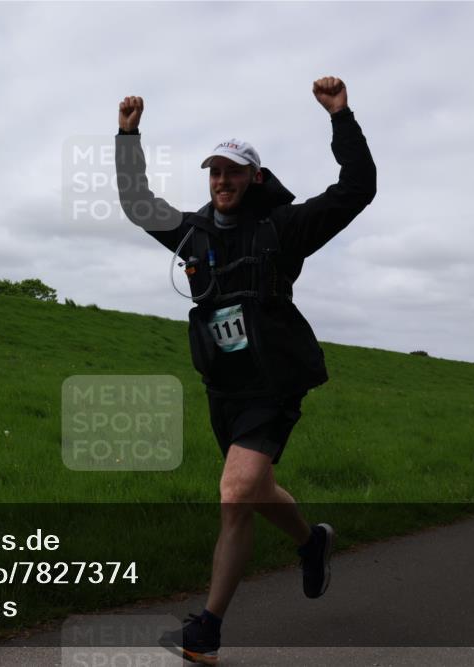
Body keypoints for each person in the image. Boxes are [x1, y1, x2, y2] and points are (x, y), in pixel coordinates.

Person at [115, 77, 376, 665]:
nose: (221, 182)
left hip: (274, 380)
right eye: (213, 172)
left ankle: (205, 630)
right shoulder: (194, 232)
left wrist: (341, 115)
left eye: (232, 172)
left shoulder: (283, 228)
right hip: (224, 387)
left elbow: (357, 188)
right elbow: (137, 205)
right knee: (254, 491)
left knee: (234, 493)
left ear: (253, 178)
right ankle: (312, 545)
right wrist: (128, 136)